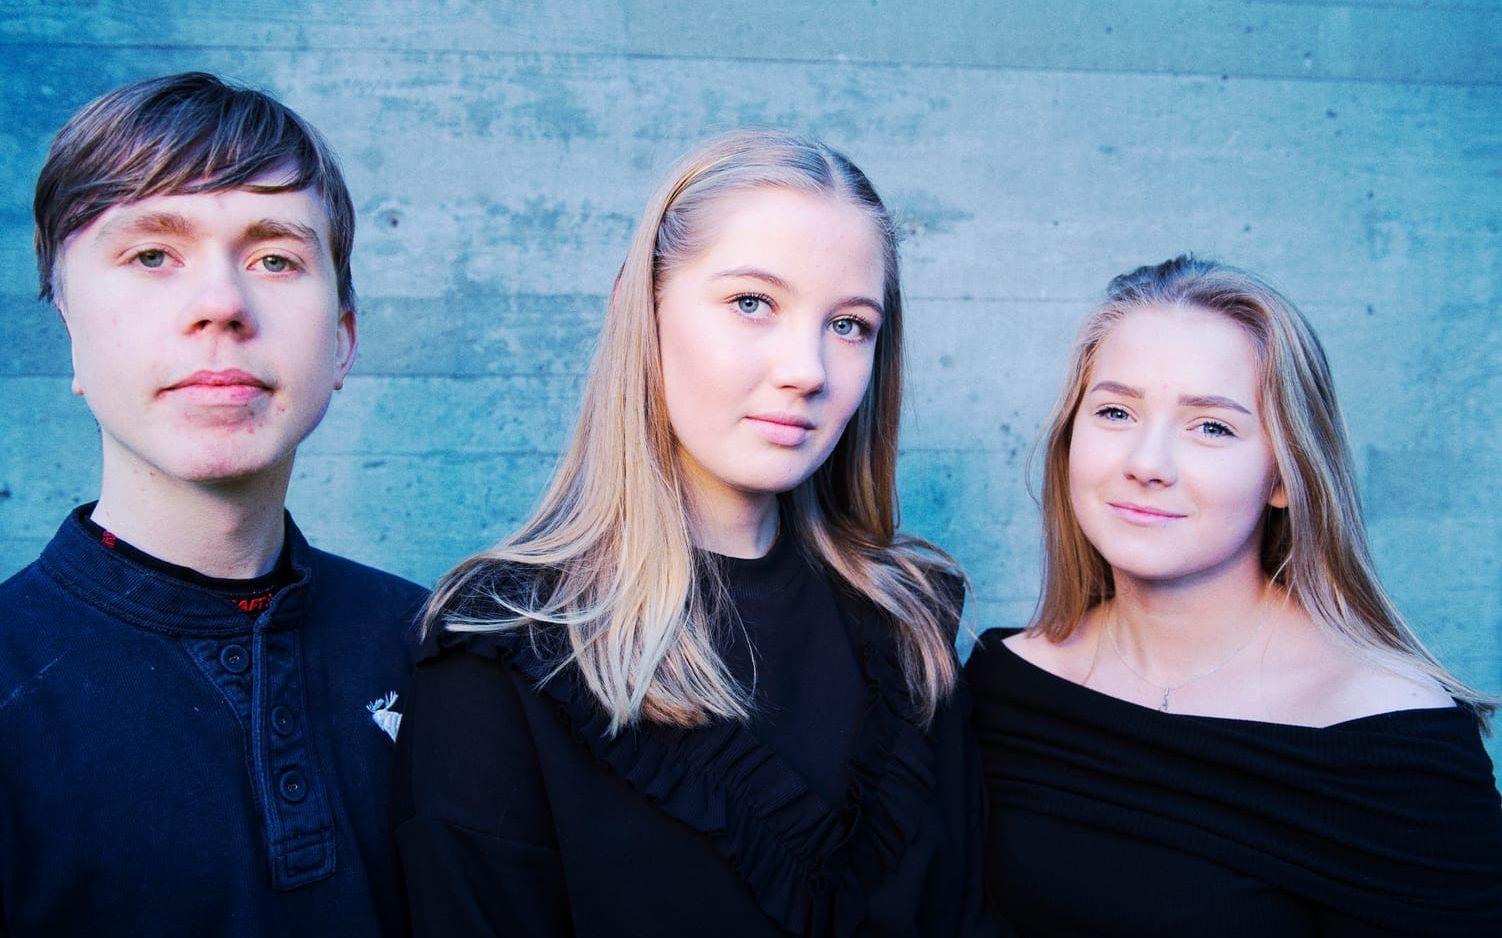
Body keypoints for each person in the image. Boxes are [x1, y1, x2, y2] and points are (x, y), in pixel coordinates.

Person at [394, 130, 1000, 936]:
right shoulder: (501, 649)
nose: (808, 369)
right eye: (752, 303)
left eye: (850, 325)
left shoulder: (906, 628)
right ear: (639, 307)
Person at [964, 255, 1502, 936]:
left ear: (1284, 476)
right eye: (1115, 411)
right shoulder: (1003, 682)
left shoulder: (1394, 742)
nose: (1146, 463)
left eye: (1212, 426)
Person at [0, 72, 424, 936]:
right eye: (153, 256)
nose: (222, 305)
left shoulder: (441, 653)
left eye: (276, 259)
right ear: (70, 329)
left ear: (343, 343)